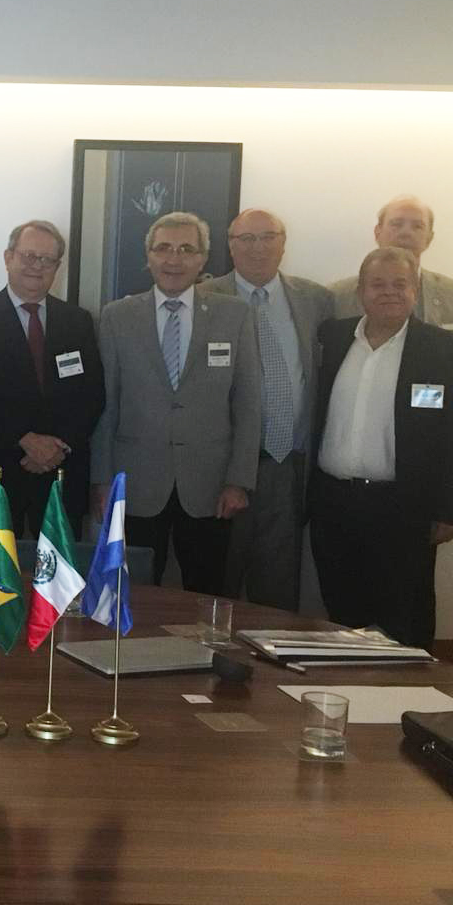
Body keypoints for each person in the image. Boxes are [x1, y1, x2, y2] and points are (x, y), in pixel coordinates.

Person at [311, 247, 453, 648]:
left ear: (415, 290)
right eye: (378, 284)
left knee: (406, 621)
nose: (389, 292)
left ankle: (408, 688)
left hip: (404, 508)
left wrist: (451, 508)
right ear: (360, 292)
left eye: (400, 284)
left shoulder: (443, 349)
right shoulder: (332, 338)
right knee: (342, 616)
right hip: (334, 504)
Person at [90, 211, 260, 592]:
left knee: (207, 593)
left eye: (186, 249)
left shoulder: (234, 315)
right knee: (131, 594)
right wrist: (101, 479)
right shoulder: (117, 317)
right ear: (148, 256)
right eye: (163, 248)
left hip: (210, 487)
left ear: (203, 259)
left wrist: (239, 481)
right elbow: (106, 405)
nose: (173, 259)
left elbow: (248, 404)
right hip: (134, 483)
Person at [201, 209, 332, 610]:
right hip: (220, 467)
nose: (257, 247)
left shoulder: (316, 300)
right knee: (214, 585)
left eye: (267, 237)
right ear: (230, 246)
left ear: (283, 243)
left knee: (277, 592)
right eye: (246, 239)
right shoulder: (203, 298)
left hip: (286, 466)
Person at [0, 220, 103, 564]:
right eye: (28, 256)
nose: (36, 266)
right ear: (8, 257)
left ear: (58, 266)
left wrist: (58, 445)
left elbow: (92, 394)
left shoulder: (78, 320)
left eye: (47, 259)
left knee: (60, 576)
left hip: (61, 472)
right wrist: (23, 439)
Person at [329, 196, 453, 466]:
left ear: (430, 237)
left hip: (428, 450)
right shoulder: (337, 295)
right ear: (377, 232)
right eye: (396, 223)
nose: (406, 232)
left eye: (417, 226)